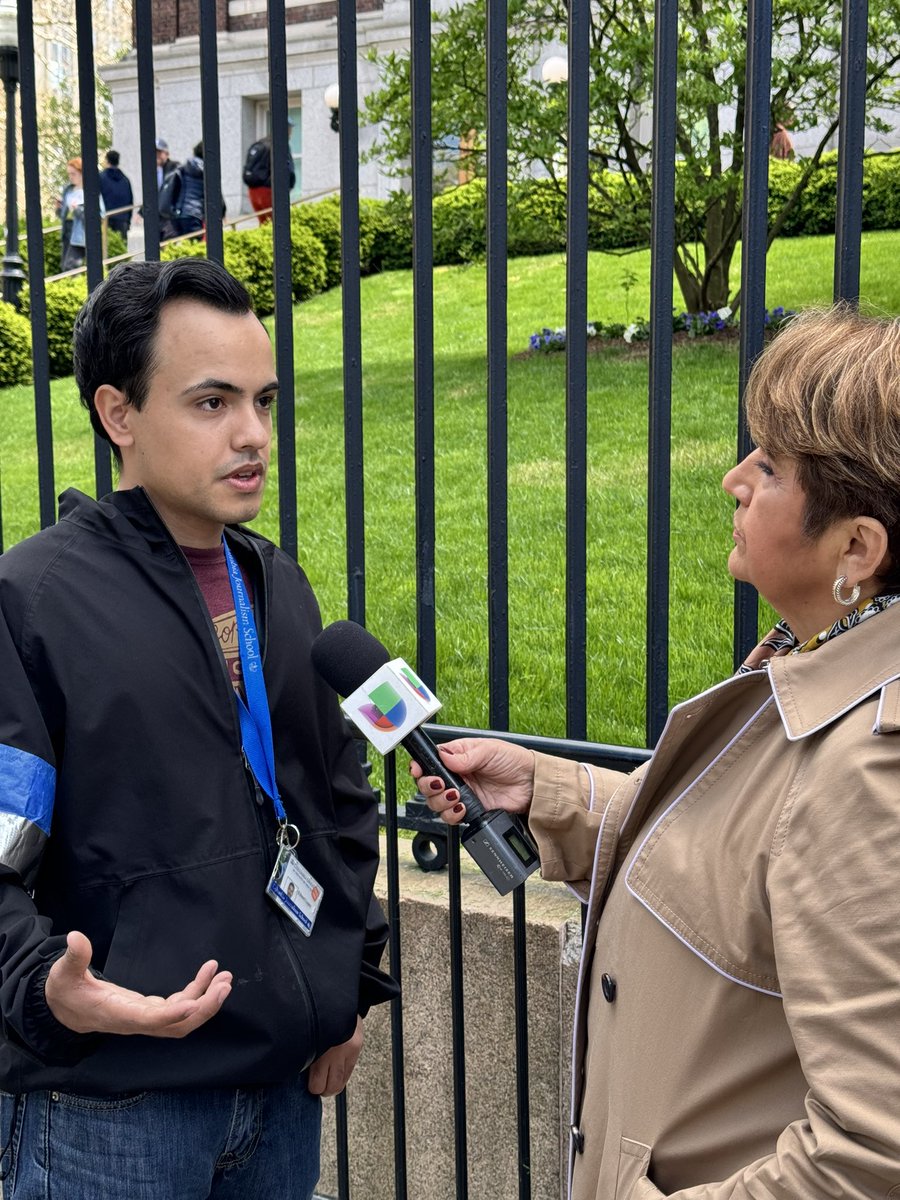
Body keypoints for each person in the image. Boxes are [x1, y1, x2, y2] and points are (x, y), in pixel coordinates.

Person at [415, 306, 900, 1199]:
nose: (733, 480)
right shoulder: (813, 666)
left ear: (855, 549)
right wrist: (549, 791)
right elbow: (727, 870)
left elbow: (876, 1153)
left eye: (770, 465)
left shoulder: (870, 770)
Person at [0, 257, 397, 1198]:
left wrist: (349, 988)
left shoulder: (279, 584)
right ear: (119, 414)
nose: (253, 434)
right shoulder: (36, 600)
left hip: (280, 1092)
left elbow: (339, 801)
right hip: (109, 1111)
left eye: (263, 400)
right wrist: (43, 986)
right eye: (212, 403)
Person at [242, 122, 296, 225]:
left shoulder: (260, 143)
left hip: (253, 191)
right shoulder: (279, 144)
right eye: (290, 129)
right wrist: (289, 185)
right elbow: (287, 168)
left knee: (264, 224)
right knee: (276, 224)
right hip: (268, 190)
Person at [56, 157, 104, 272]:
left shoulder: (91, 191)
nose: (71, 177)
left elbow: (100, 215)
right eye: (69, 174)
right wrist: (59, 208)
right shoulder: (68, 190)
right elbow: (64, 214)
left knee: (71, 266)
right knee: (65, 266)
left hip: (81, 232)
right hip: (67, 231)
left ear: (82, 173)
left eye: (73, 174)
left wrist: (78, 209)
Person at [98, 149, 134, 238]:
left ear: (107, 160)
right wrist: (128, 221)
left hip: (106, 219)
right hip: (123, 220)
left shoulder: (100, 178)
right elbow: (130, 200)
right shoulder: (125, 180)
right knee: (121, 249)